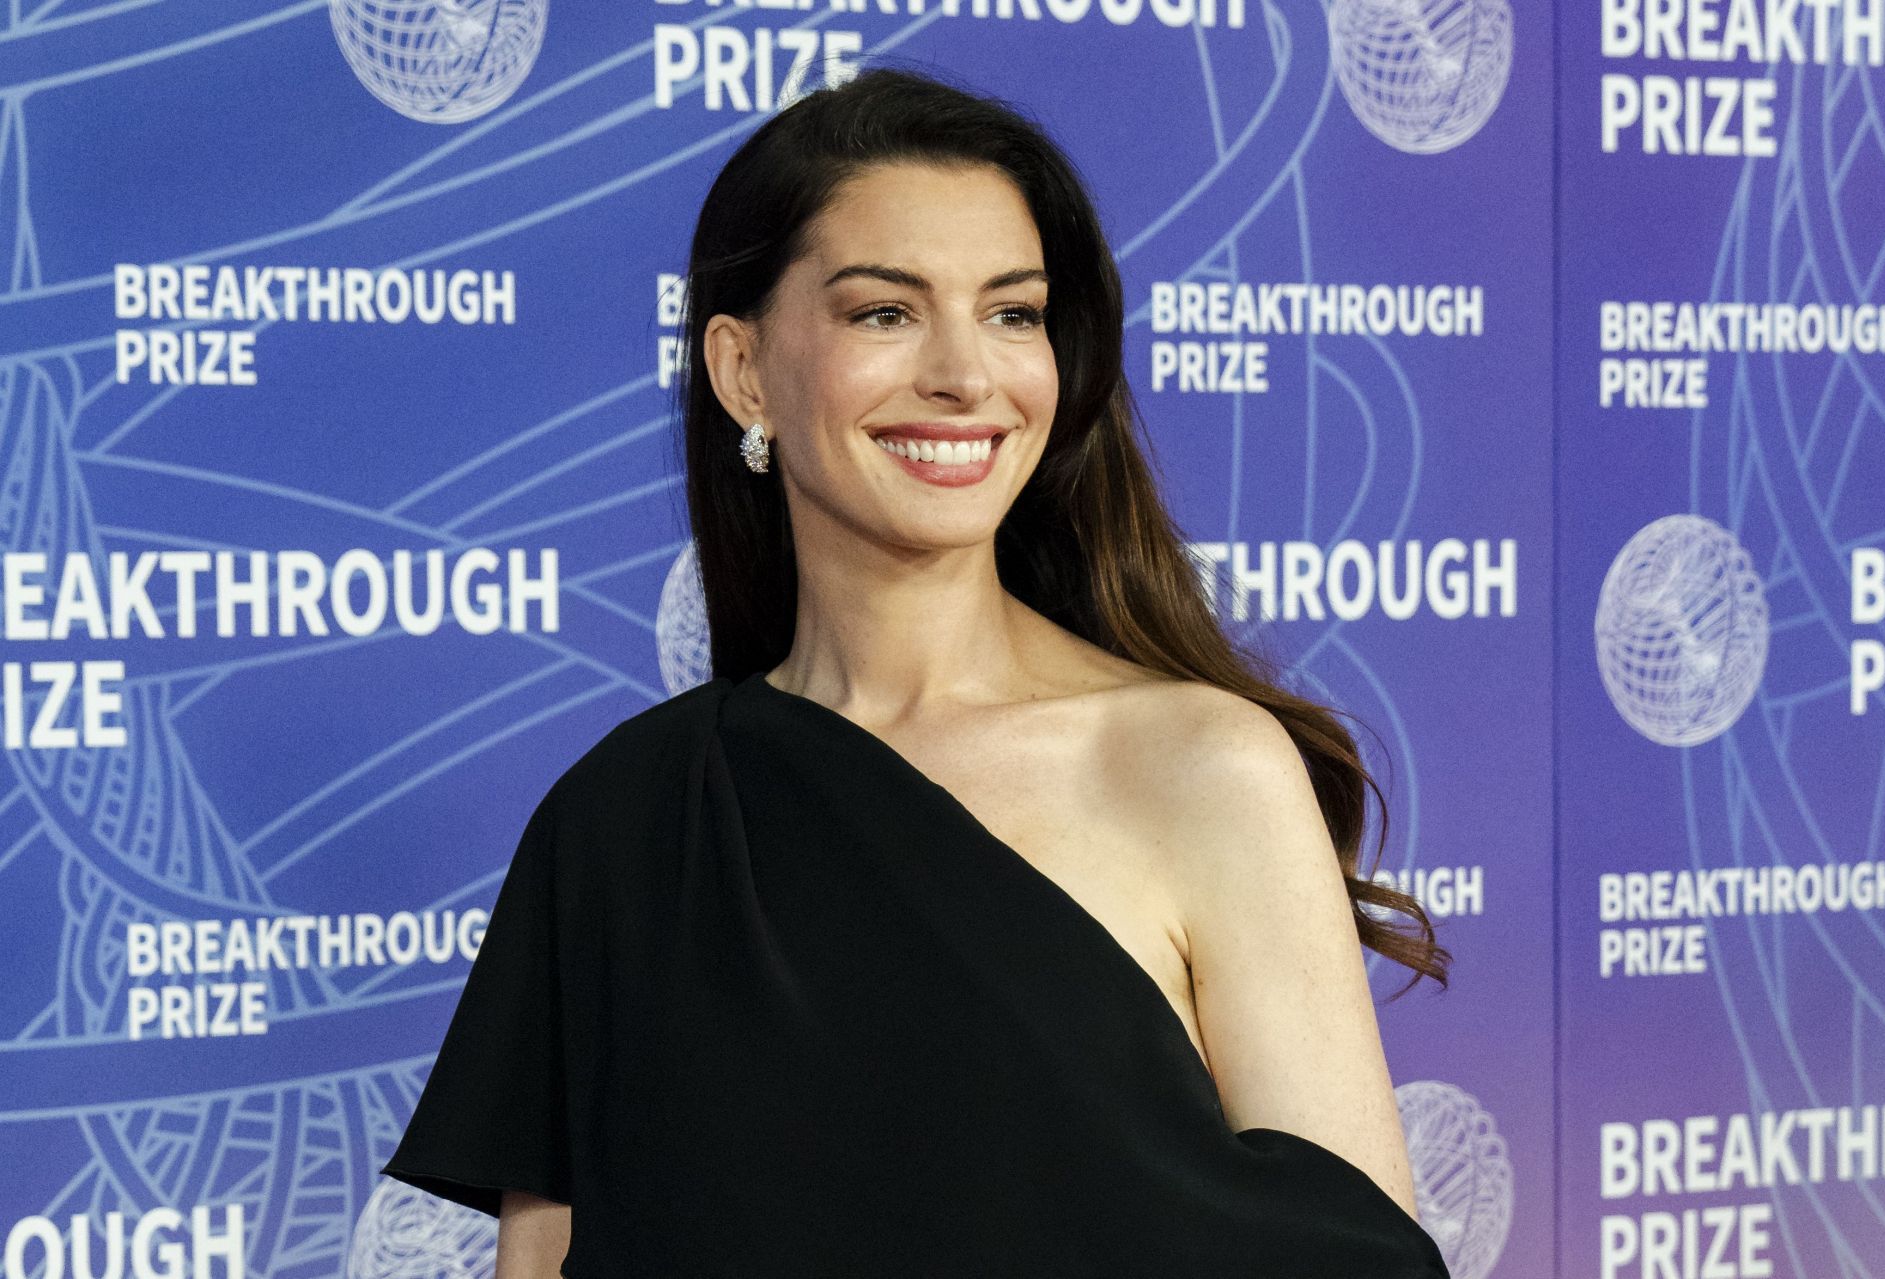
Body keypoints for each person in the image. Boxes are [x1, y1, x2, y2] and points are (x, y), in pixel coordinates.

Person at [380, 65, 1454, 1278]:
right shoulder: (627, 821)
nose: (965, 374)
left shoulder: (1200, 765)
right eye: (884, 313)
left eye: (1013, 312)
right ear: (743, 373)